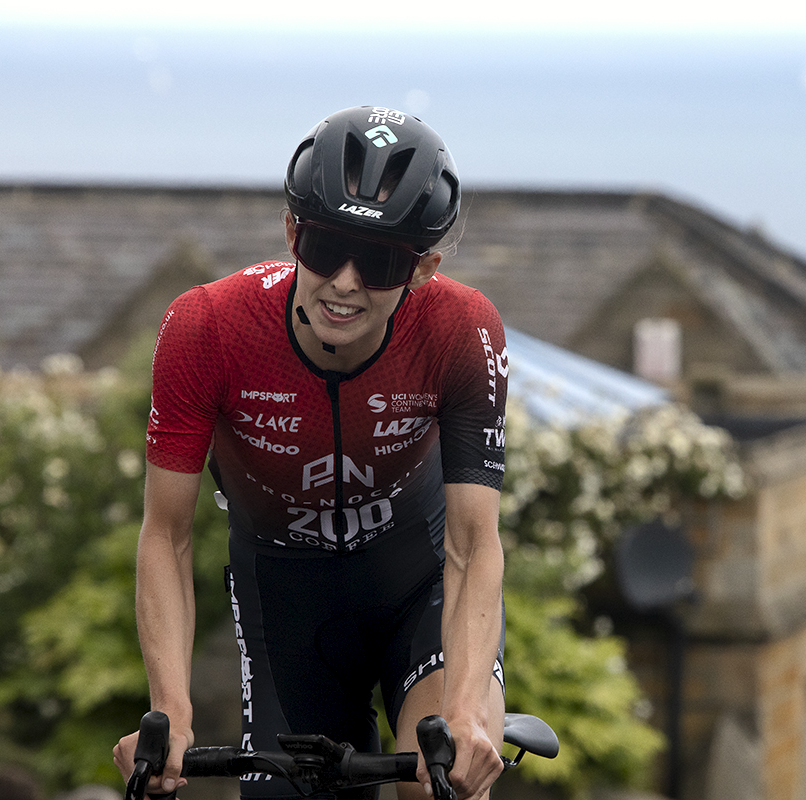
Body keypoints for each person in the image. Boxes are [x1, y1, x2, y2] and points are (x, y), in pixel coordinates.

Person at [113, 106, 509, 800]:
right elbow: (167, 536)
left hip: (417, 587)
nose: (348, 282)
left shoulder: (460, 328)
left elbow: (474, 545)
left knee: (440, 779)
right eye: (327, 248)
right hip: (286, 601)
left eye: (382, 261)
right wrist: (170, 710)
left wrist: (470, 709)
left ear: (423, 268)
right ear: (292, 230)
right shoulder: (206, 327)